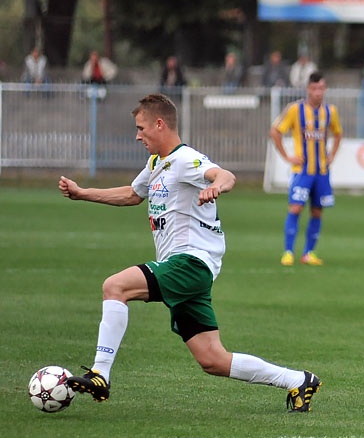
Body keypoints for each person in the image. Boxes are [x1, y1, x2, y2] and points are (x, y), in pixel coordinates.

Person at [58, 93, 321, 413]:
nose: (137, 135)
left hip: (190, 262)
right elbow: (131, 194)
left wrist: (217, 187)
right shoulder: (156, 163)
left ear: (159, 124)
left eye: (141, 128)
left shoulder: (185, 159)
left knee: (115, 286)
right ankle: (298, 380)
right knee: (212, 360)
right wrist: (82, 193)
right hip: (190, 269)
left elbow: (224, 175)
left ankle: (101, 373)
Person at [270, 71, 342, 266]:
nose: (318, 92)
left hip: (321, 172)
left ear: (325, 89)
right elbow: (275, 131)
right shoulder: (295, 109)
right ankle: (288, 252)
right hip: (302, 171)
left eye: (321, 88)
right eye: (314, 88)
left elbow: (338, 133)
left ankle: (308, 253)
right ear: (308, 89)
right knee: (295, 207)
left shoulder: (330, 112)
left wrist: (332, 155)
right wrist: (287, 156)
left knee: (317, 212)